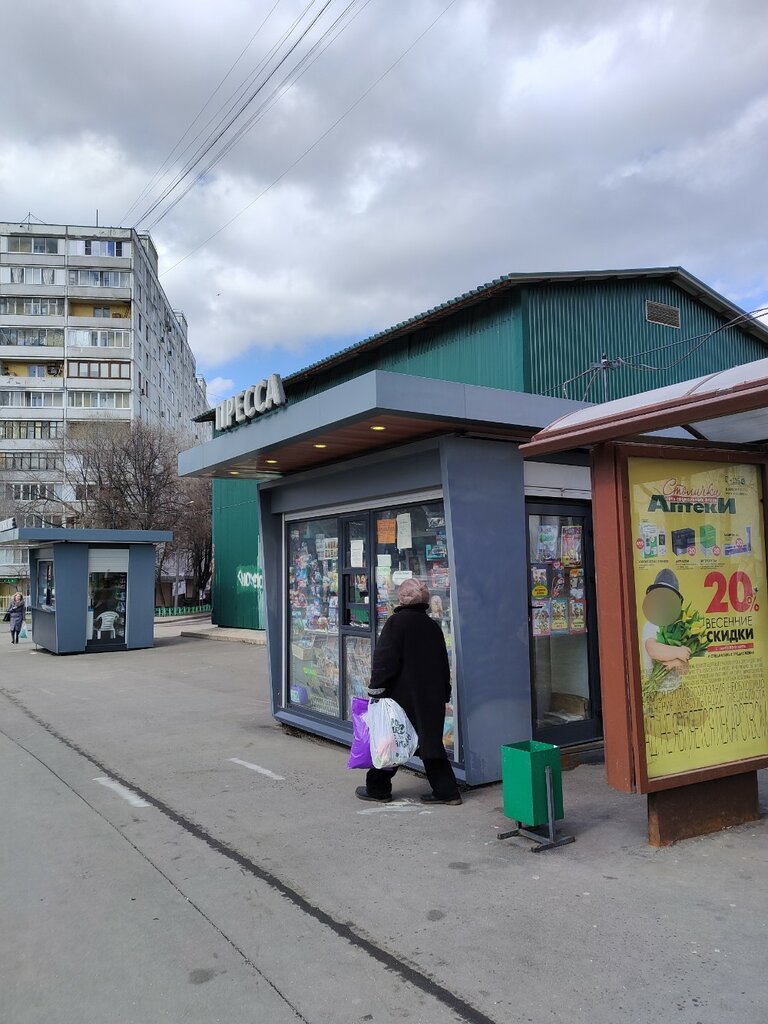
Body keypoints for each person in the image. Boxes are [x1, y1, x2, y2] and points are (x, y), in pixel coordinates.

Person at [356, 577, 461, 806]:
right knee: (430, 744)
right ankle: (447, 791)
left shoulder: (397, 623)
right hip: (430, 697)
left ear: (402, 598)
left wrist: (376, 689)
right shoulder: (432, 626)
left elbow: (385, 660)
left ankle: (378, 788)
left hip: (402, 697)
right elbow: (443, 663)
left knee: (389, 741)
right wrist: (445, 692)